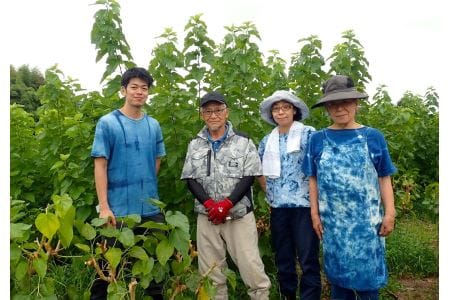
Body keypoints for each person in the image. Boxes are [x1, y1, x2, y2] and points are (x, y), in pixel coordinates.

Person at [303, 75, 396, 300]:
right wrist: (314, 213)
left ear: (356, 103)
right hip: (332, 224)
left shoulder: (372, 137)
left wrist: (390, 212)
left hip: (366, 225)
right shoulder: (317, 139)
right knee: (339, 282)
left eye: (345, 102)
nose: (340, 108)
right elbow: (312, 179)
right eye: (333, 104)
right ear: (326, 108)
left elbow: (384, 178)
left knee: (368, 285)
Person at [181, 91, 271, 300]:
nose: (213, 115)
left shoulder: (243, 142)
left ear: (226, 112)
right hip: (207, 217)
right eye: (208, 111)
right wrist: (211, 204)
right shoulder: (195, 144)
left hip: (239, 216)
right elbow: (190, 178)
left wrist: (227, 204)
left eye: (218, 110)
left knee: (252, 269)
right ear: (201, 115)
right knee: (211, 274)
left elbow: (249, 175)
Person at [90, 67, 166, 300]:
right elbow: (100, 165)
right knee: (107, 270)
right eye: (134, 87)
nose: (139, 92)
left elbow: (156, 160)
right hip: (117, 210)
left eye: (144, 88)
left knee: (155, 270)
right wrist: (104, 206)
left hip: (150, 209)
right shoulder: (108, 123)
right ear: (123, 90)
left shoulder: (153, 125)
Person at [258, 90, 322, 300]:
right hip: (278, 208)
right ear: (271, 114)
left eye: (285, 107)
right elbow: (260, 171)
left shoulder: (309, 134)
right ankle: (288, 295)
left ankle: (310, 297)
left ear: (294, 110)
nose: (280, 112)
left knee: (307, 258)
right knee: (283, 257)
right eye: (276, 109)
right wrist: (271, 193)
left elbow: (319, 167)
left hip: (304, 206)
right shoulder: (267, 140)